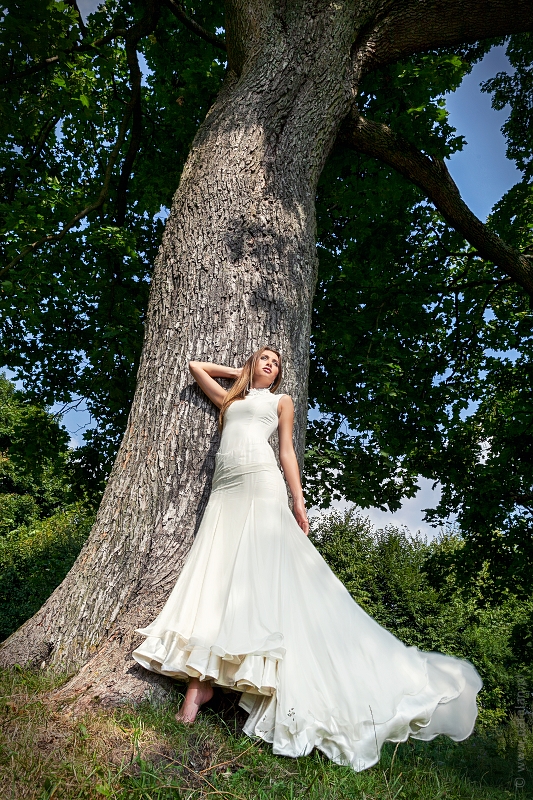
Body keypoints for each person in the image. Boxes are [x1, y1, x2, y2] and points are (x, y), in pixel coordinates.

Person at [132, 346, 482, 772]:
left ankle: (199, 686)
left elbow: (286, 453)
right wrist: (239, 372)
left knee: (254, 576)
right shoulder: (231, 399)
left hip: (262, 484)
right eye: (264, 358)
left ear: (280, 377)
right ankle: (200, 683)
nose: (270, 365)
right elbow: (194, 366)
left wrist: (298, 502)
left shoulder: (280, 401)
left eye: (276, 363)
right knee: (218, 574)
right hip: (225, 489)